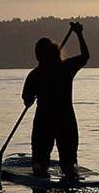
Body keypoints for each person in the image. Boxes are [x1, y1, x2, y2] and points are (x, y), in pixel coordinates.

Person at [22, 21, 90, 179]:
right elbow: (85, 57)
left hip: (44, 123)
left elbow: (27, 101)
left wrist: (30, 98)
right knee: (68, 165)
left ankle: (41, 174)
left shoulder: (35, 74)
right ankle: (69, 175)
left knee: (40, 164)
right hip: (66, 121)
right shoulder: (66, 68)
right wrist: (79, 34)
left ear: (38, 56)